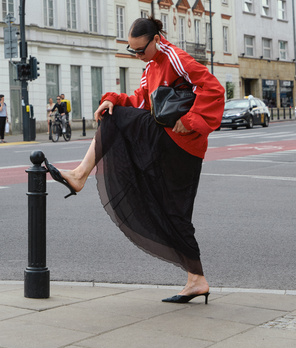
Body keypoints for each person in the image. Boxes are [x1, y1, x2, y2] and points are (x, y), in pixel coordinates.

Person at [45, 17, 225, 304]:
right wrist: (114, 99)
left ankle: (79, 175)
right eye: (133, 51)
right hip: (177, 145)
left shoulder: (175, 57)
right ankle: (197, 279)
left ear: (156, 40)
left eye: (141, 50)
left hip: (181, 140)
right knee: (174, 210)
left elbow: (214, 89)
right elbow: (142, 100)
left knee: (114, 120)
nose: (139, 56)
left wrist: (190, 120)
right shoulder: (150, 66)